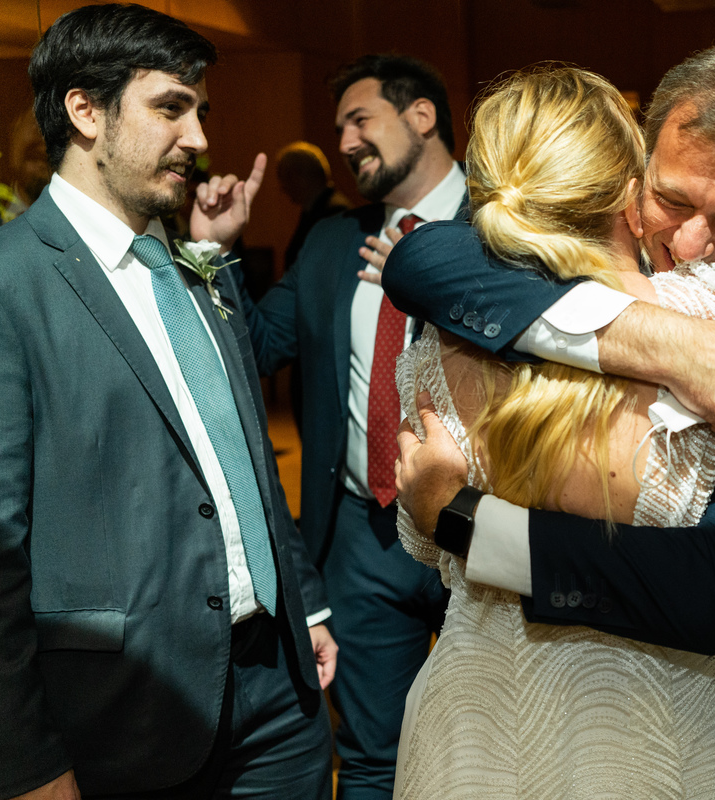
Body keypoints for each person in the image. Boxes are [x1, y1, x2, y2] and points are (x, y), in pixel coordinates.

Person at [378, 41, 715, 798]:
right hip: (480, 718)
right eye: (672, 201)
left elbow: (712, 588)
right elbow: (424, 259)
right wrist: (668, 342)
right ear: (634, 171)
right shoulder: (516, 263)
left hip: (664, 723)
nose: (690, 244)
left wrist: (464, 522)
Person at [0, 5, 335, 798]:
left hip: (278, 696)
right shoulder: (12, 280)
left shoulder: (193, 266)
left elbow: (245, 449)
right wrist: (26, 760)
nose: (198, 138)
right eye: (171, 108)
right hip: (129, 708)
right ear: (86, 111)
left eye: (200, 112)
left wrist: (308, 605)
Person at [225, 54, 459, 800]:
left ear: (421, 116)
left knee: (493, 747)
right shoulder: (331, 242)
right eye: (338, 130)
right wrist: (217, 252)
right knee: (368, 756)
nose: (346, 143)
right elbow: (257, 347)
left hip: (479, 531)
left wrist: (434, 282)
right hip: (362, 536)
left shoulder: (502, 228)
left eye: (360, 121)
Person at [275, 141, 351, 269]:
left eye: (286, 177)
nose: (282, 187)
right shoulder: (315, 209)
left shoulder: (334, 213)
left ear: (302, 176)